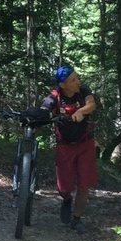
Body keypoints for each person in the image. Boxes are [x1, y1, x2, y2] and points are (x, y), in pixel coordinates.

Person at [41, 65, 98, 232]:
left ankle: (77, 218)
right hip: (64, 147)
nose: (77, 81)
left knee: (84, 183)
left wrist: (81, 111)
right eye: (73, 80)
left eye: (77, 77)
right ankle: (66, 200)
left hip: (85, 144)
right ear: (63, 84)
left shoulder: (83, 91)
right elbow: (45, 106)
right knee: (64, 188)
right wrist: (42, 114)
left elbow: (92, 104)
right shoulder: (55, 95)